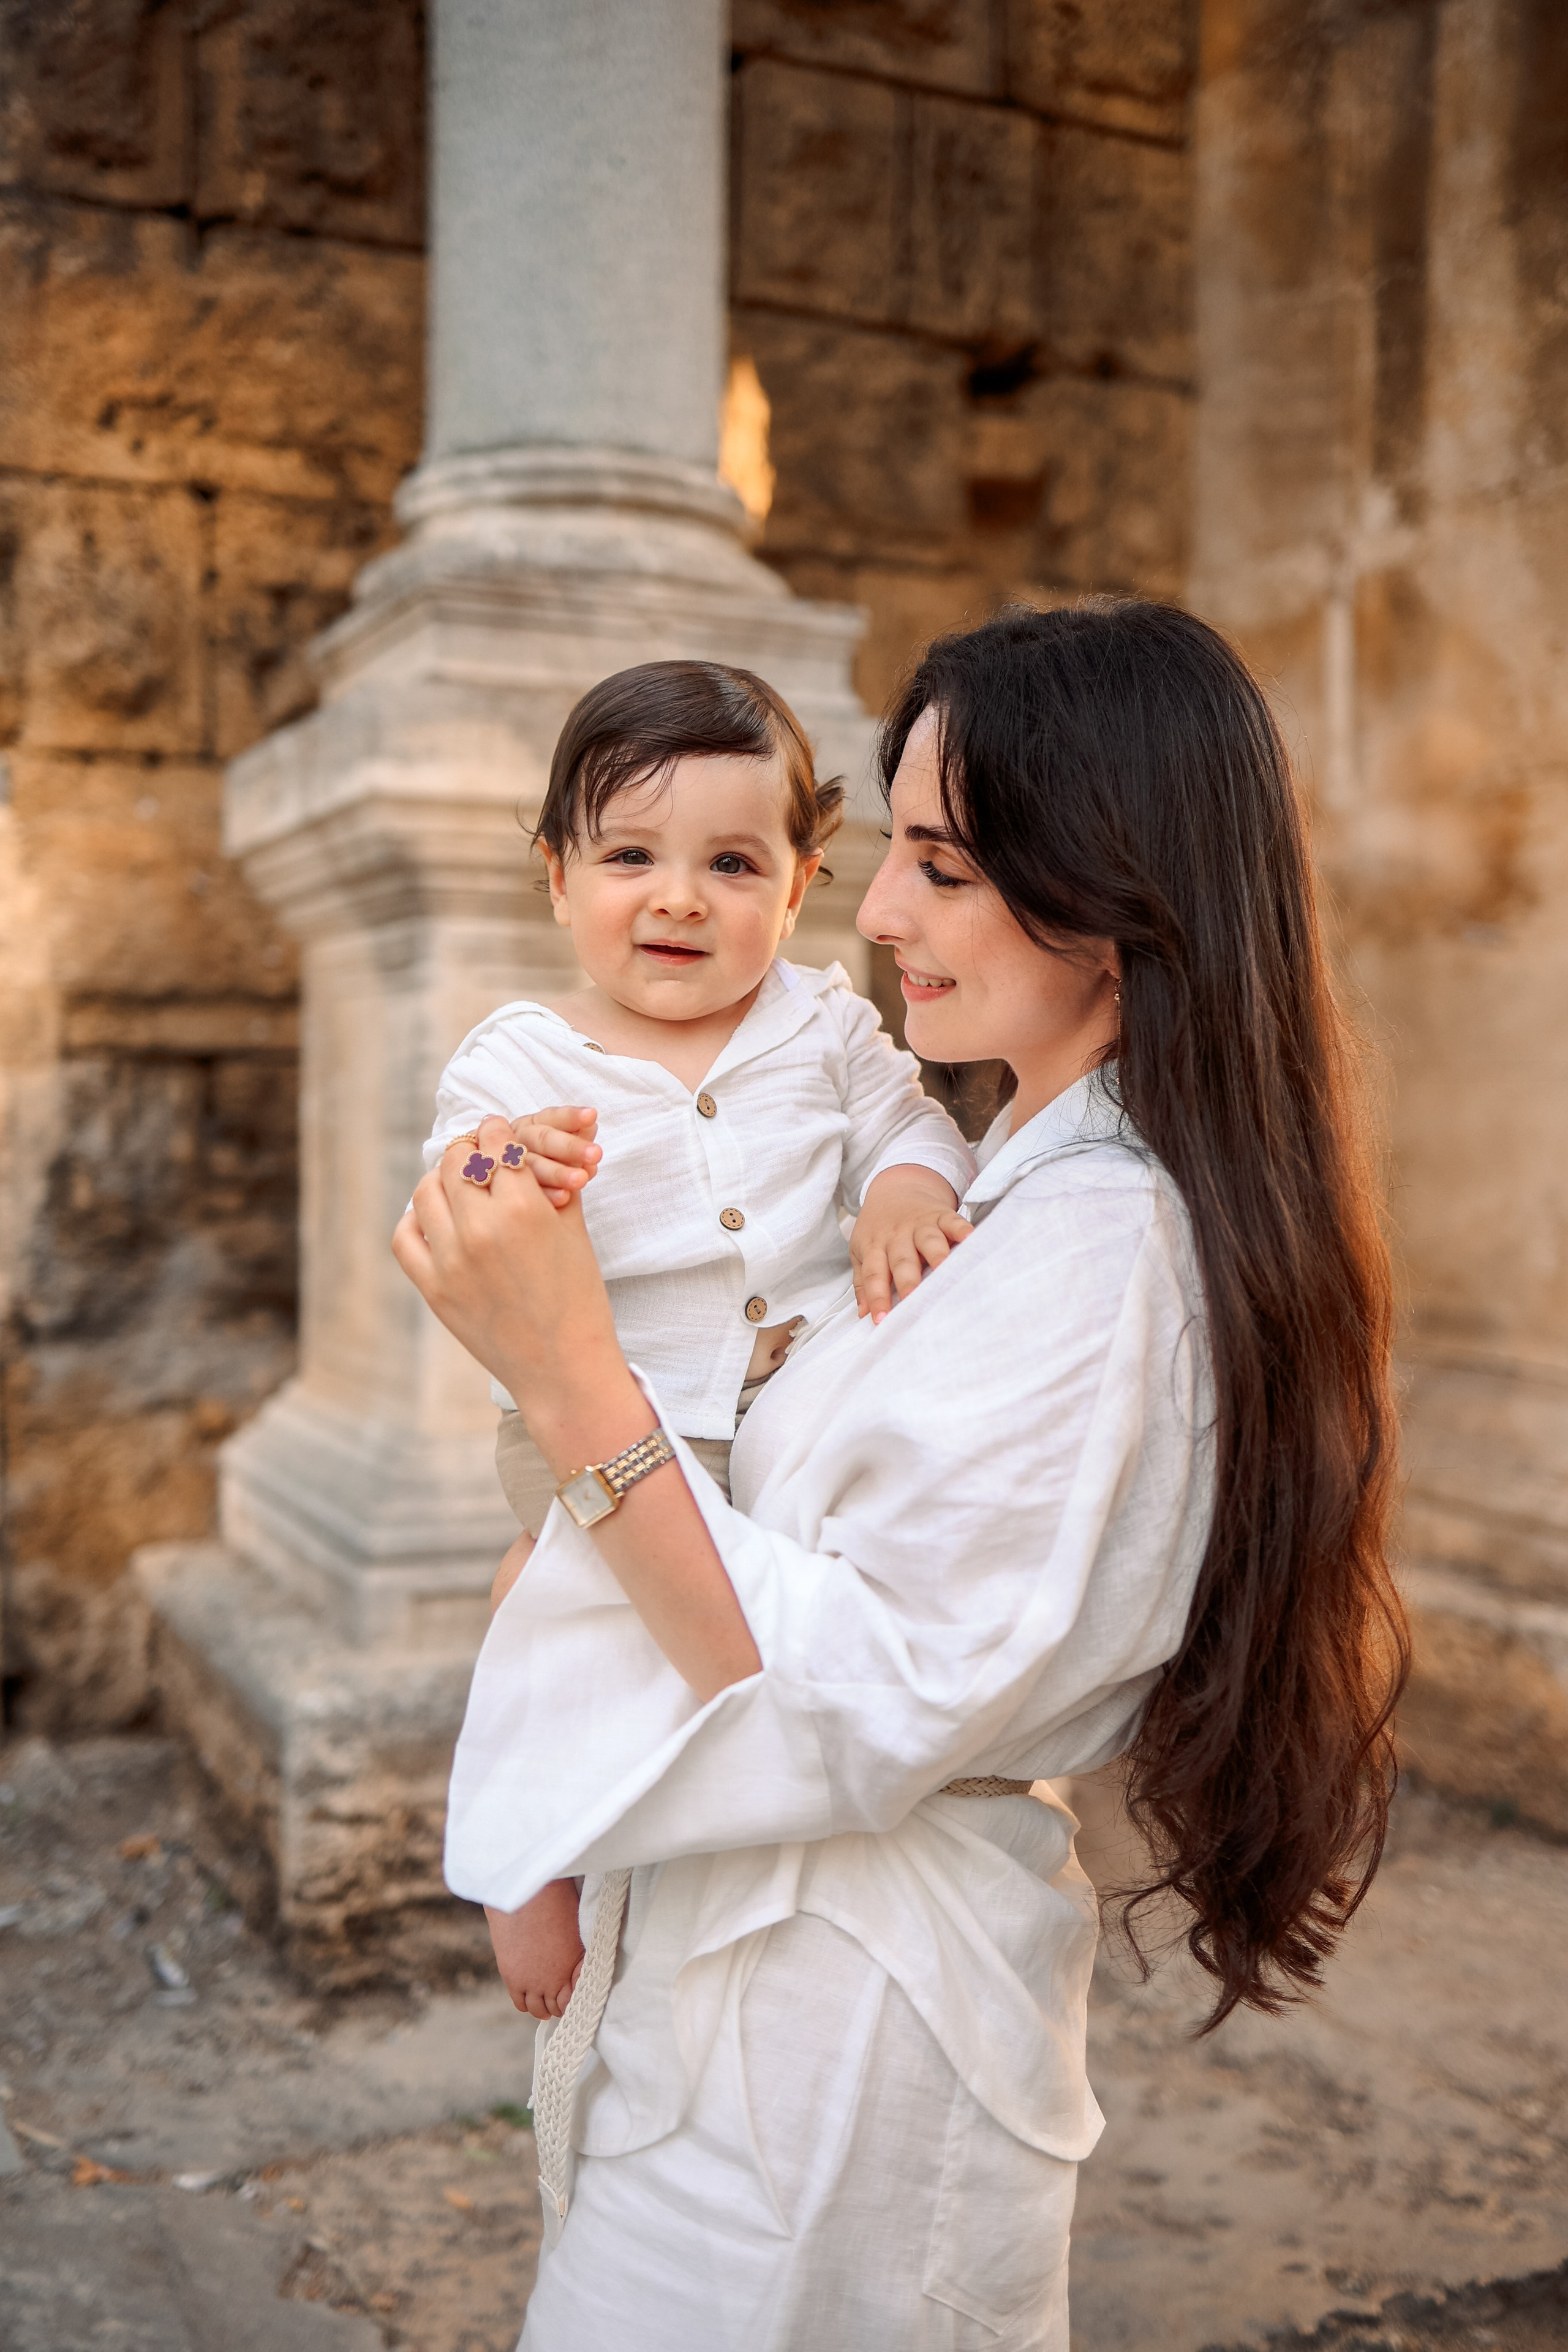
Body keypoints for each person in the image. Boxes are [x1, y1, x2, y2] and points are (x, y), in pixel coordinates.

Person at [393, 602, 1408, 2352]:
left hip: (845, 2037)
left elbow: (856, 1699)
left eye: (938, 865)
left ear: (1111, 890)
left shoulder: (1105, 1254)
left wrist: (568, 1374)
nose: (869, 913)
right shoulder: (1011, 1169)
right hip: (746, 1980)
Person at [422, 657, 975, 2021]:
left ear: (799, 886)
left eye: (731, 862)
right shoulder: (520, 1059)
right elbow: (457, 1192)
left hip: (788, 1411)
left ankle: (723, 1856)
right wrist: (503, 1165)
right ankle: (525, 1860)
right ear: (557, 877)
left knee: (757, 1641)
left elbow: (911, 1124)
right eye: (627, 855)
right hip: (611, 1413)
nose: (677, 896)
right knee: (555, 1606)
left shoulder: (828, 1020)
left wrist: (905, 1186)